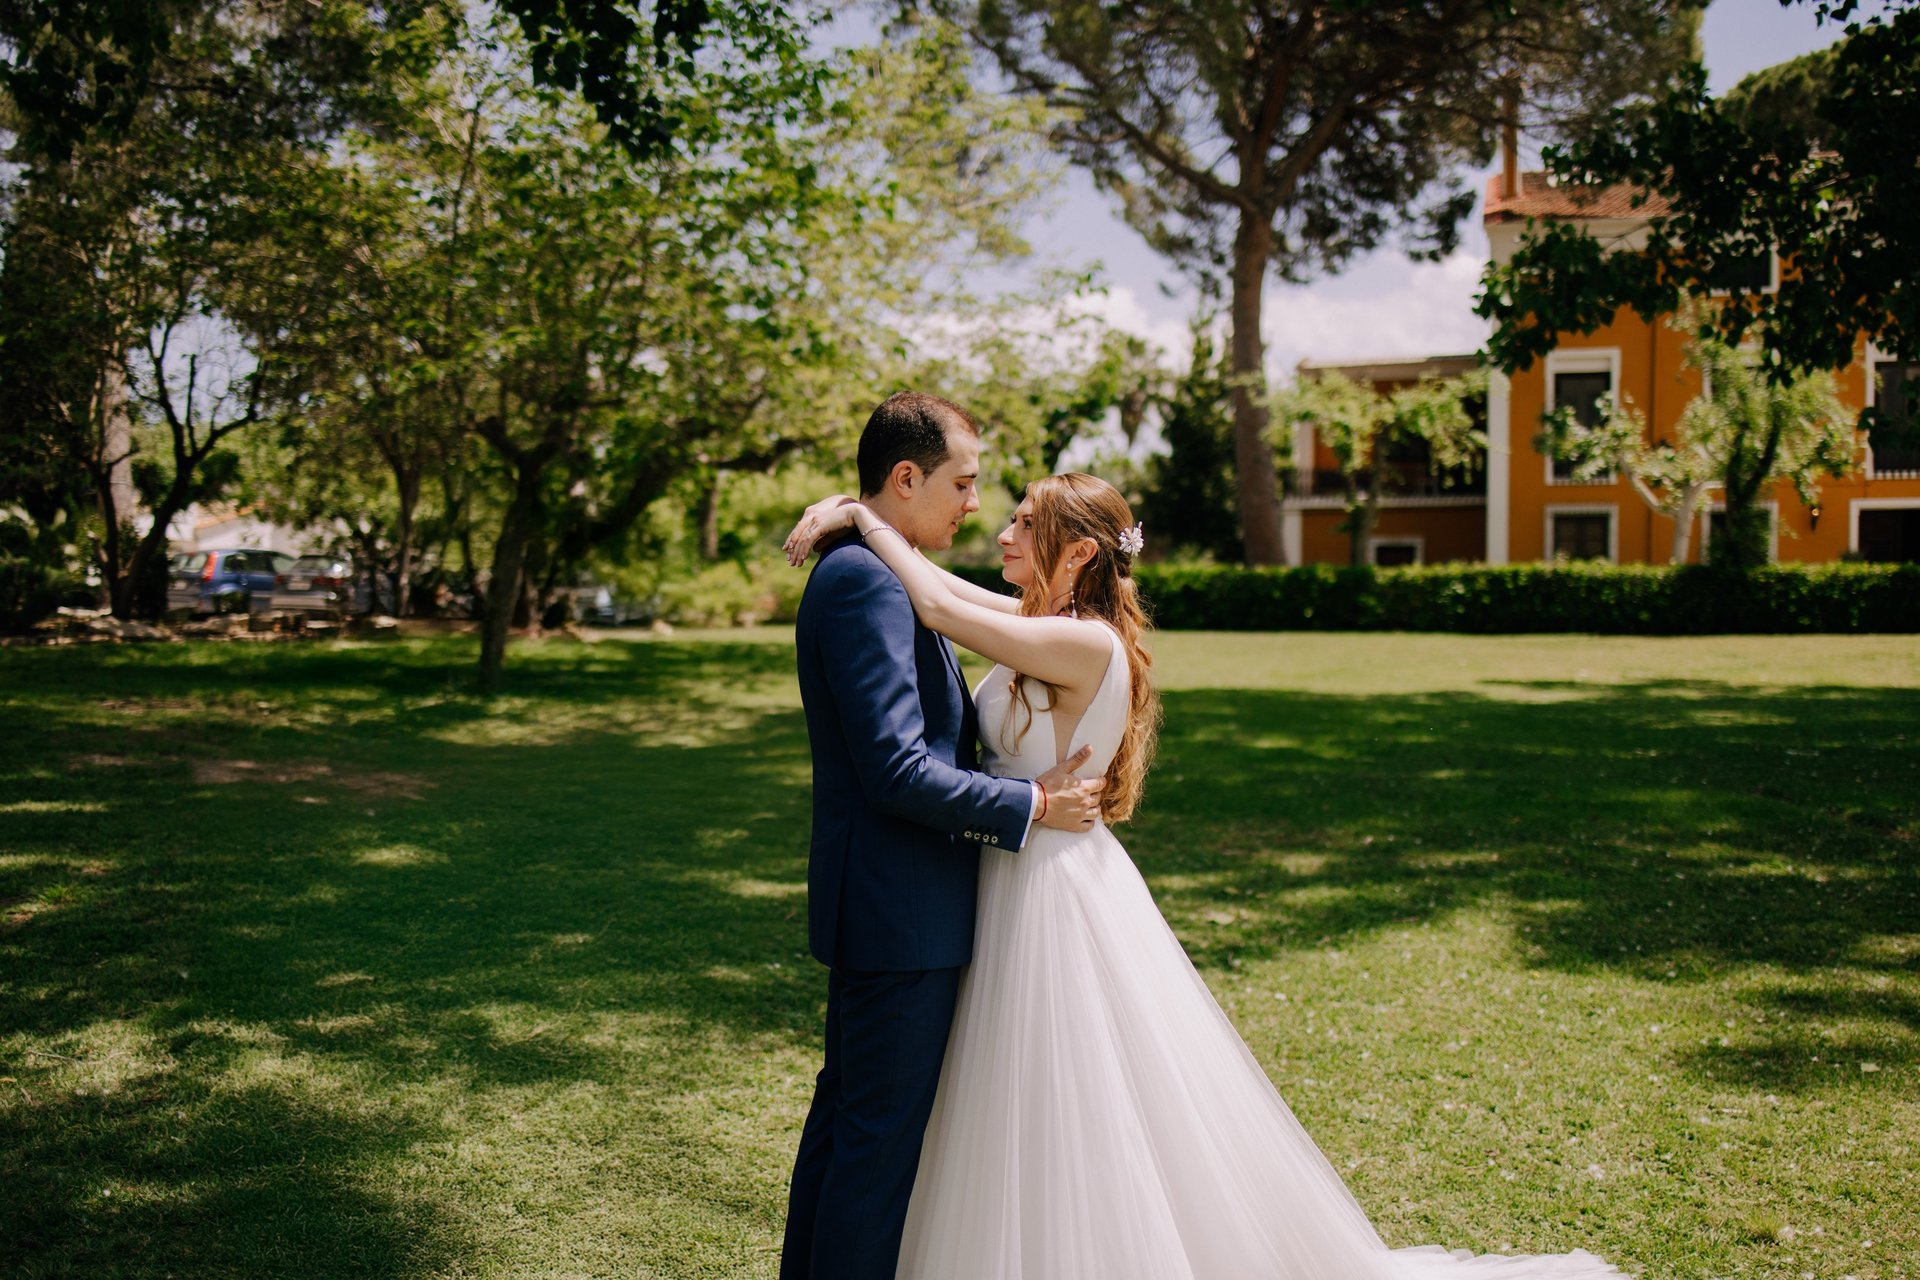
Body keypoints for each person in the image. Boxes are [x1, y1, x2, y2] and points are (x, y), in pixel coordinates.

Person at [784, 470, 1630, 1280]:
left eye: (1024, 523)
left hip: (1050, 885)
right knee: (1000, 1091)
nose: (1000, 531)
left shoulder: (1078, 641)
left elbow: (933, 601)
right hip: (1006, 873)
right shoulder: (1041, 618)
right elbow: (948, 593)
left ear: (1078, 554)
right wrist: (869, 526)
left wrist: (863, 520)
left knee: (1065, 1083)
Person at [779, 392, 1107, 1280]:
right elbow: (895, 769)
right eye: (965, 484)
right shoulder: (862, 585)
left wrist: (852, 515)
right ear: (906, 476)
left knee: (851, 1126)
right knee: (873, 1150)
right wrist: (1031, 806)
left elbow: (954, 615)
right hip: (901, 909)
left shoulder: (882, 573)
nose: (974, 505)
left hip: (893, 903)